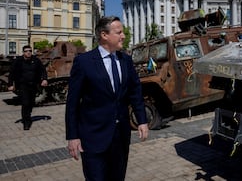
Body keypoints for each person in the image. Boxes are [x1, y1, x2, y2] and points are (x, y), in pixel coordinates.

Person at [65, 16, 149, 181]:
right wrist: (72, 136)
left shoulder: (126, 59)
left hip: (120, 137)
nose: (123, 36)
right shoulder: (84, 62)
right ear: (104, 35)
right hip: (93, 137)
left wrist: (142, 120)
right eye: (119, 32)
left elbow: (135, 92)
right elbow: (72, 103)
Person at [8, 45, 48, 130]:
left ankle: (28, 115)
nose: (28, 52)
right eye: (26, 51)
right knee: (25, 103)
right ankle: (26, 122)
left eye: (30, 50)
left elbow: (42, 70)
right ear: (23, 52)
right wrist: (10, 84)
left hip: (33, 85)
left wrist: (44, 79)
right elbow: (11, 73)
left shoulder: (36, 60)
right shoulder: (18, 61)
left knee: (31, 103)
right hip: (23, 85)